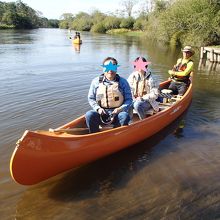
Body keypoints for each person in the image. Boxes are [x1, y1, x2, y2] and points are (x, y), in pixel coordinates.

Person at [85, 57, 132, 133]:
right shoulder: (95, 82)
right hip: (101, 113)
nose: (110, 70)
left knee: (125, 116)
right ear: (103, 69)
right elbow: (91, 98)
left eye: (113, 67)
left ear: (116, 69)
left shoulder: (123, 82)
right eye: (107, 67)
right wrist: (98, 109)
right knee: (89, 114)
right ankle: (94, 135)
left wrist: (120, 109)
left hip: (117, 113)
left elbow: (129, 99)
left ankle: (117, 134)